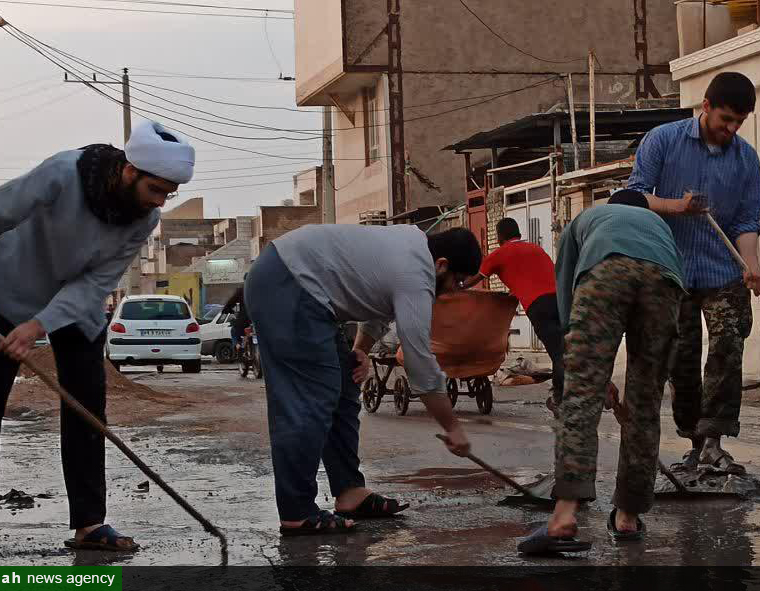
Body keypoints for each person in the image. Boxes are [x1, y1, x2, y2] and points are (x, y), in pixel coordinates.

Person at [0, 120, 195, 553]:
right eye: (156, 189)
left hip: (74, 310)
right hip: (9, 295)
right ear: (129, 171)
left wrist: (39, 325)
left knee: (86, 409)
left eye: (168, 194)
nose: (160, 203)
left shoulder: (143, 218)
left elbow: (93, 284)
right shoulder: (63, 173)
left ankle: (89, 524)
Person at [245, 225, 479, 536]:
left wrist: (360, 350)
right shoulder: (417, 273)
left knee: (343, 388)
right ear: (442, 264)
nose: (454, 291)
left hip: (295, 282)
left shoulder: (411, 246)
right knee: (309, 400)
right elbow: (419, 362)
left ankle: (349, 491)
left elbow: (380, 306)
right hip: (289, 283)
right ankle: (297, 511)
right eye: (458, 282)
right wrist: (452, 426)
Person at [519, 189, 690, 553]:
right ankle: (627, 517)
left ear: (611, 207)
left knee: (581, 399)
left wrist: (583, 363)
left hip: (604, 275)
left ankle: (565, 514)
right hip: (664, 285)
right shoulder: (660, 226)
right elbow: (677, 285)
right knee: (643, 408)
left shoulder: (586, 219)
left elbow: (564, 289)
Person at [626, 71, 760, 475]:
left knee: (728, 345)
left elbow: (746, 220)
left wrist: (752, 267)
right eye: (726, 119)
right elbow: (634, 197)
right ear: (705, 107)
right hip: (671, 269)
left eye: (739, 122)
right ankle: (692, 439)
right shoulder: (662, 140)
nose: (731, 129)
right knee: (681, 358)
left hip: (723, 269)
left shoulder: (746, 158)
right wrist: (678, 207)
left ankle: (714, 441)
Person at [462, 218, 564, 417]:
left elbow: (471, 282)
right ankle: (566, 396)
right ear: (517, 233)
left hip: (539, 306)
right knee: (566, 351)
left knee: (559, 355)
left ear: (499, 236)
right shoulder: (536, 249)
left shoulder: (498, 254)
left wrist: (449, 287)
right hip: (562, 301)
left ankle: (560, 399)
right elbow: (538, 276)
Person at [223, 282, 250, 354]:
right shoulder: (261, 288)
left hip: (245, 321)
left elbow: (230, 303)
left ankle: (238, 346)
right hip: (259, 321)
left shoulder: (242, 290)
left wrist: (228, 310)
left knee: (234, 331)